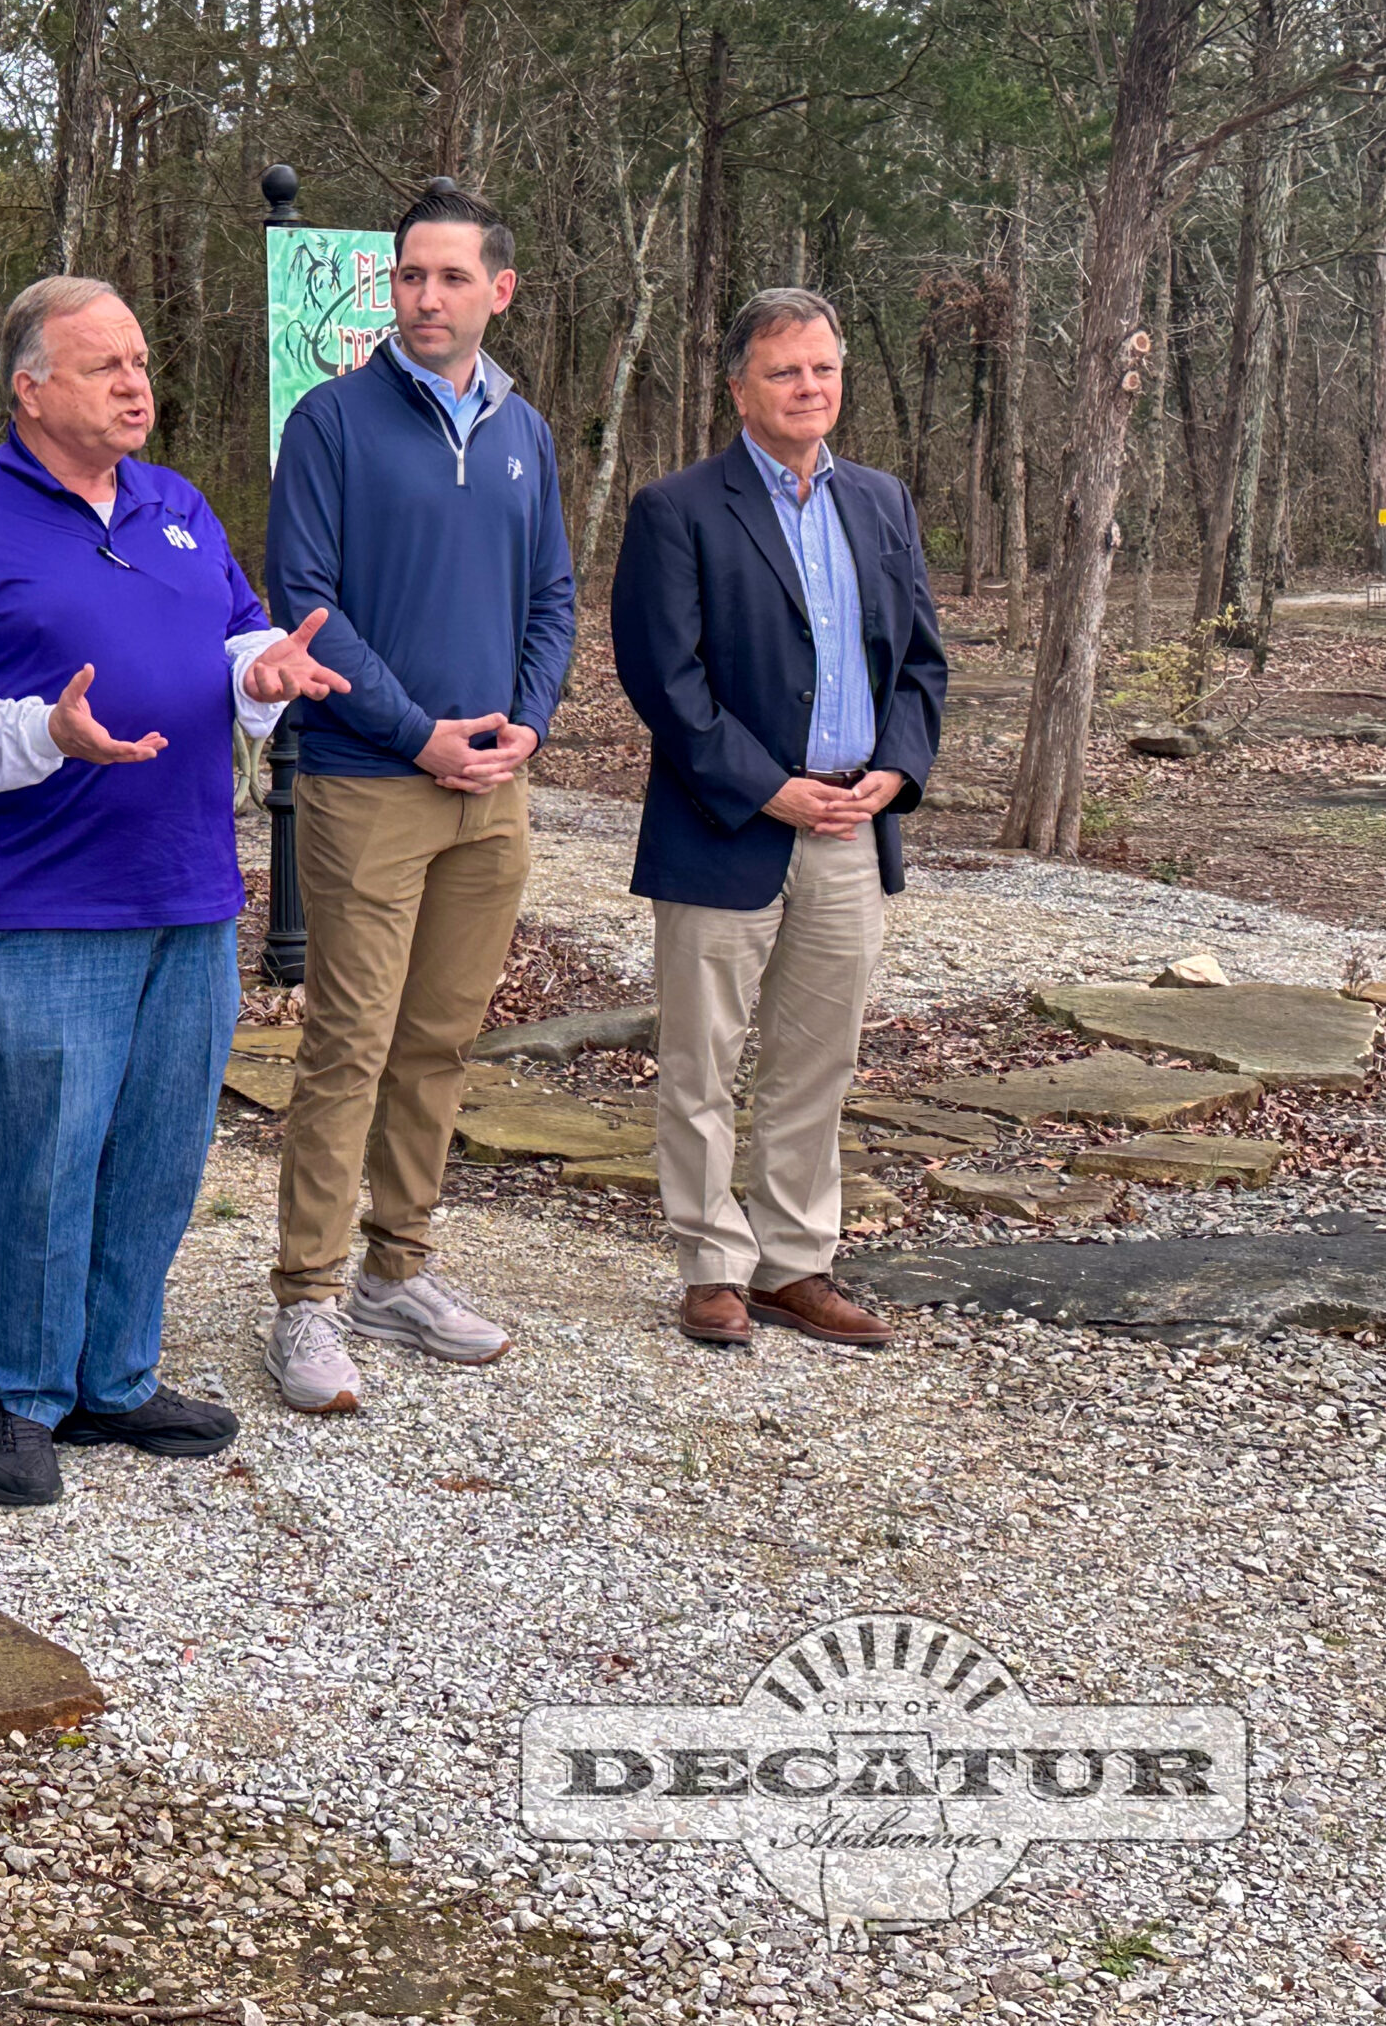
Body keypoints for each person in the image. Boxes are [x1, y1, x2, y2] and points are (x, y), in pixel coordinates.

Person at [0, 276, 348, 1507]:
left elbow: (236, 636)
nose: (139, 384)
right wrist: (46, 733)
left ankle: (116, 1374)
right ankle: (22, 1393)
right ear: (31, 387)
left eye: (141, 361)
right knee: (43, 1155)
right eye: (106, 367)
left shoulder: (176, 504)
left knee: (160, 1151)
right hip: (39, 903)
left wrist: (270, 672)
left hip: (186, 890)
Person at [262, 184, 576, 1415]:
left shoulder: (523, 429)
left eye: (451, 277)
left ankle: (401, 1266)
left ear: (498, 290)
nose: (425, 297)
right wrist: (416, 735)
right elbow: (309, 600)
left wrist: (526, 723)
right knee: (349, 1043)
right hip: (367, 785)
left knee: (440, 1039)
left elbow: (552, 594)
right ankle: (306, 1296)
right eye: (409, 276)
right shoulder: (331, 423)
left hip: (490, 792)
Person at [609, 287, 946, 1350]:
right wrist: (766, 784)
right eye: (785, 371)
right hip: (727, 823)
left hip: (852, 825)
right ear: (737, 386)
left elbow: (920, 662)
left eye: (824, 369)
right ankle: (712, 1263)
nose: (810, 388)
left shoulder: (883, 502)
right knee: (703, 1059)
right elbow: (663, 678)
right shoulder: (680, 508)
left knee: (818, 1059)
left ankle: (796, 1261)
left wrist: (894, 769)